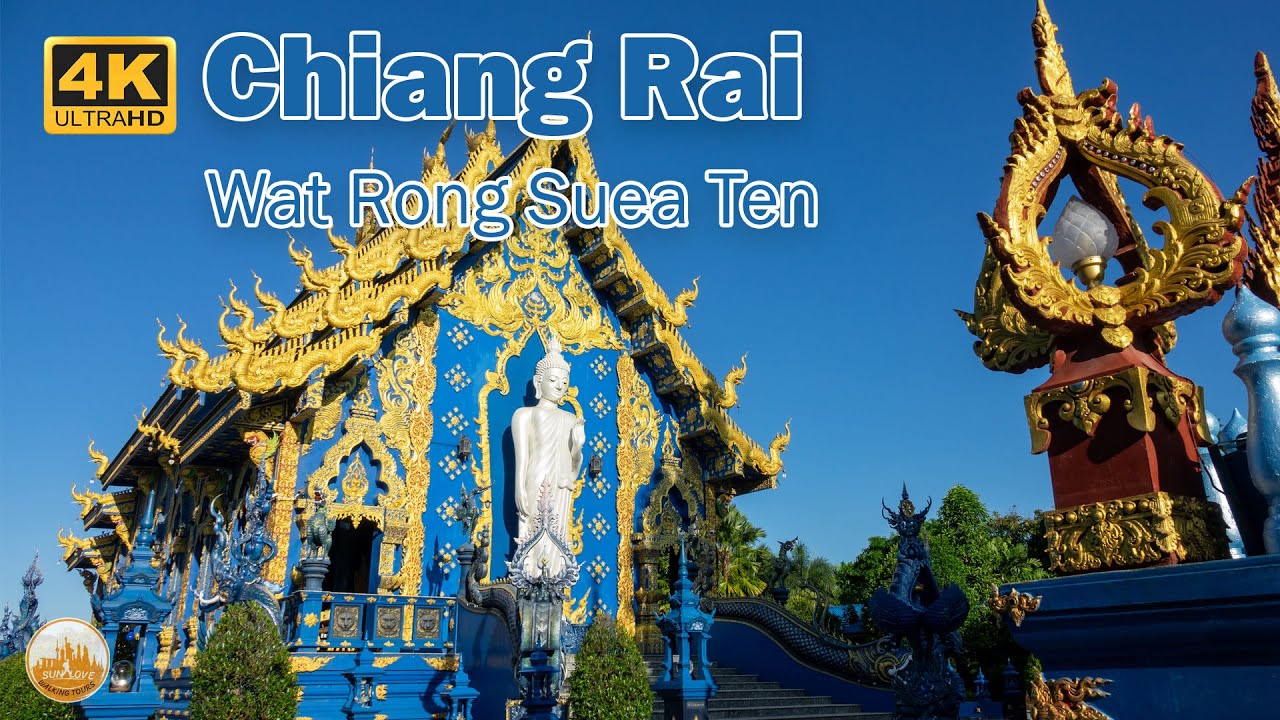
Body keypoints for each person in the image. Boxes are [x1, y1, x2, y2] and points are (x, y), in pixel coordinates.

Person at [511, 334, 585, 581]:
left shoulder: (570, 419)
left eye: (564, 382)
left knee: (557, 535)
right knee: (533, 533)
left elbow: (573, 469)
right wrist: (518, 488)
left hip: (560, 485)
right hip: (536, 480)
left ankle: (554, 583)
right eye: (552, 380)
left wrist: (578, 446)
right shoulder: (524, 415)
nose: (558, 386)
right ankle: (530, 582)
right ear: (537, 382)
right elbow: (522, 458)